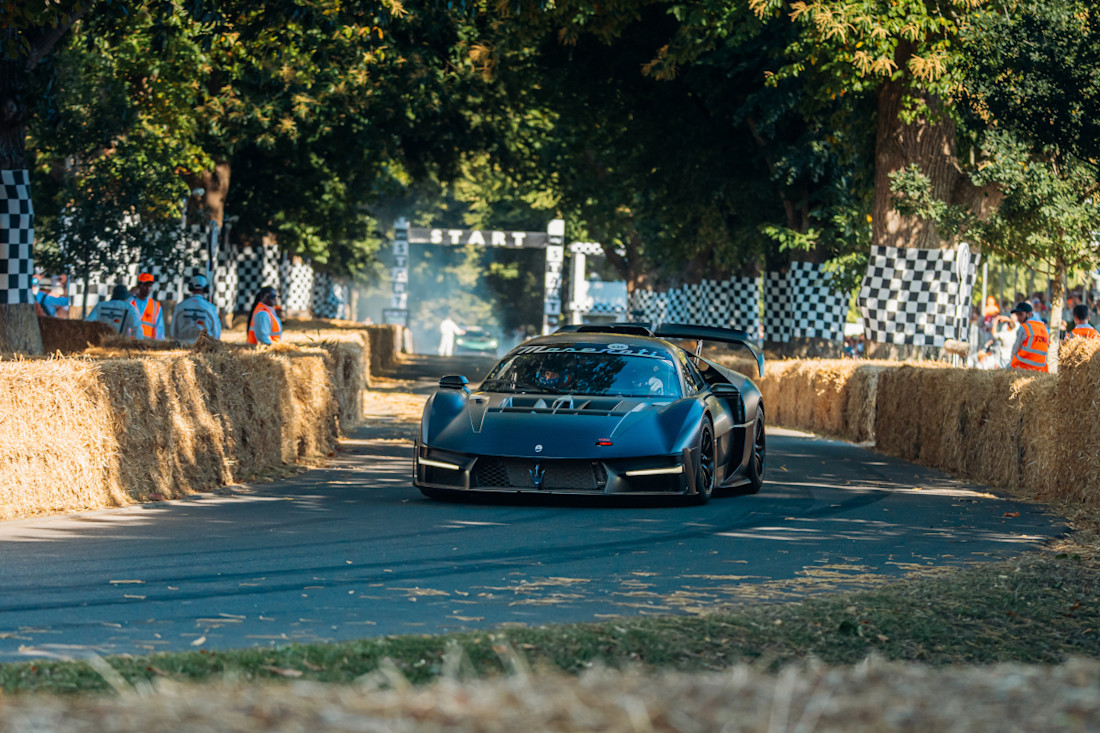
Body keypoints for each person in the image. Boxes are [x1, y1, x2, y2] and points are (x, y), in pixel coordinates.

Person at [171, 275, 221, 343]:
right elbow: (216, 333)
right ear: (206, 288)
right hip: (205, 346)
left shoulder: (180, 306)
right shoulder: (211, 308)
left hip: (183, 345)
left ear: (190, 287)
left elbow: (173, 331)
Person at [1009, 301, 1050, 372]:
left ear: (1029, 314)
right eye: (1017, 315)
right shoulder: (1043, 328)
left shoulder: (1024, 327)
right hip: (1040, 369)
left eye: (1021, 314)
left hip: (1022, 366)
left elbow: (1016, 349)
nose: (1019, 318)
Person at [129, 272, 165, 339]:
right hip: (129, 342)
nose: (148, 288)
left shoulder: (155, 306)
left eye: (150, 286)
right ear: (139, 286)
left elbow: (159, 329)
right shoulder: (130, 302)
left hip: (147, 345)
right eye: (146, 285)